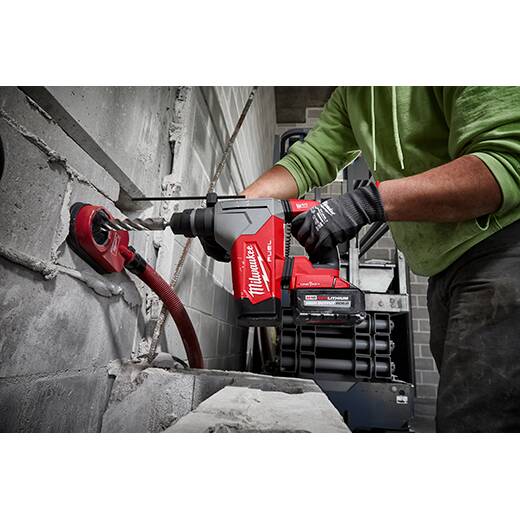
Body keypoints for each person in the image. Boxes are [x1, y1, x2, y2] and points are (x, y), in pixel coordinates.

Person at [242, 87, 520, 432]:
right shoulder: (353, 93)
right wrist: (240, 209)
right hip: (445, 271)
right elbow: (308, 159)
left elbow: (506, 163)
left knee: (476, 424)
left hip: (506, 253)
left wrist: (364, 204)